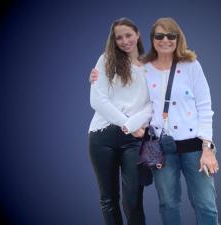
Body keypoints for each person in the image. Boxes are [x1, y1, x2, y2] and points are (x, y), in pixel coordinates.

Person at [143, 17, 219, 225]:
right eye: (159, 35)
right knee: (168, 204)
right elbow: (131, 97)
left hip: (194, 147)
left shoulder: (191, 65)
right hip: (161, 148)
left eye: (171, 35)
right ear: (152, 39)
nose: (165, 40)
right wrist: (98, 78)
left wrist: (207, 147)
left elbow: (205, 106)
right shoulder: (144, 68)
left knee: (205, 203)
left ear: (178, 39)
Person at [88, 17, 151, 225]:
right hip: (102, 135)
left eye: (128, 35)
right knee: (108, 199)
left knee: (133, 201)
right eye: (119, 38)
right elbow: (97, 100)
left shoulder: (150, 66)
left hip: (135, 140)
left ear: (137, 34)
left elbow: (153, 106)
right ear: (114, 41)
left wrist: (133, 127)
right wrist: (128, 124)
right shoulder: (106, 60)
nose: (125, 41)